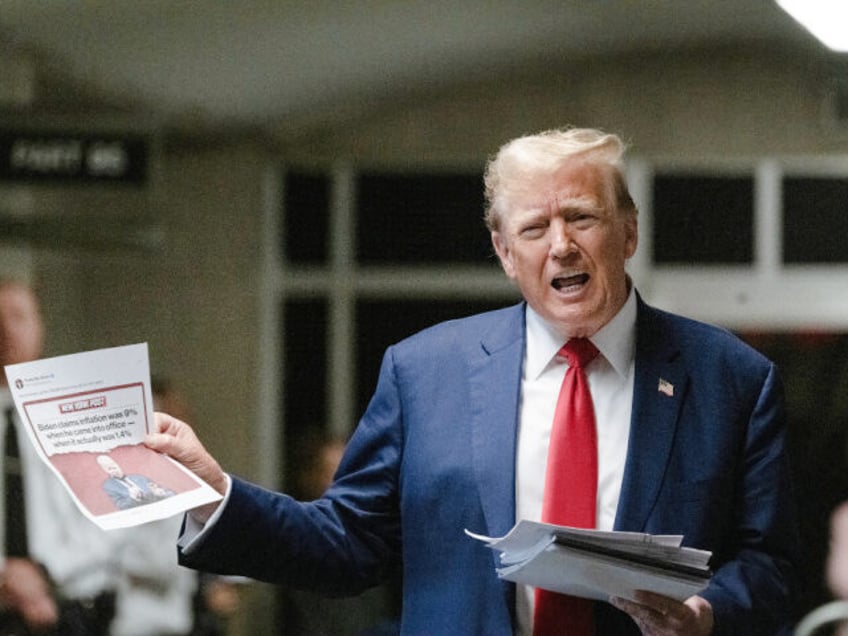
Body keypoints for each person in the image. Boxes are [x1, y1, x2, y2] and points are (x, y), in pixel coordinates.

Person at [146, 127, 799, 635]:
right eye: (535, 228)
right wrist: (215, 494)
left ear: (628, 230)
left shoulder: (731, 380)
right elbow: (345, 545)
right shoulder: (424, 372)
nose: (562, 245)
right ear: (503, 250)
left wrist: (704, 615)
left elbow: (769, 565)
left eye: (581, 217)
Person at [96, 454, 174, 511]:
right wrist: (132, 498)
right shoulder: (108, 486)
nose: (114, 470)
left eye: (114, 466)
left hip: (160, 508)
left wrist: (162, 493)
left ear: (118, 464)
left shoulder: (139, 477)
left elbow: (169, 492)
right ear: (104, 470)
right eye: (109, 468)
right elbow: (121, 506)